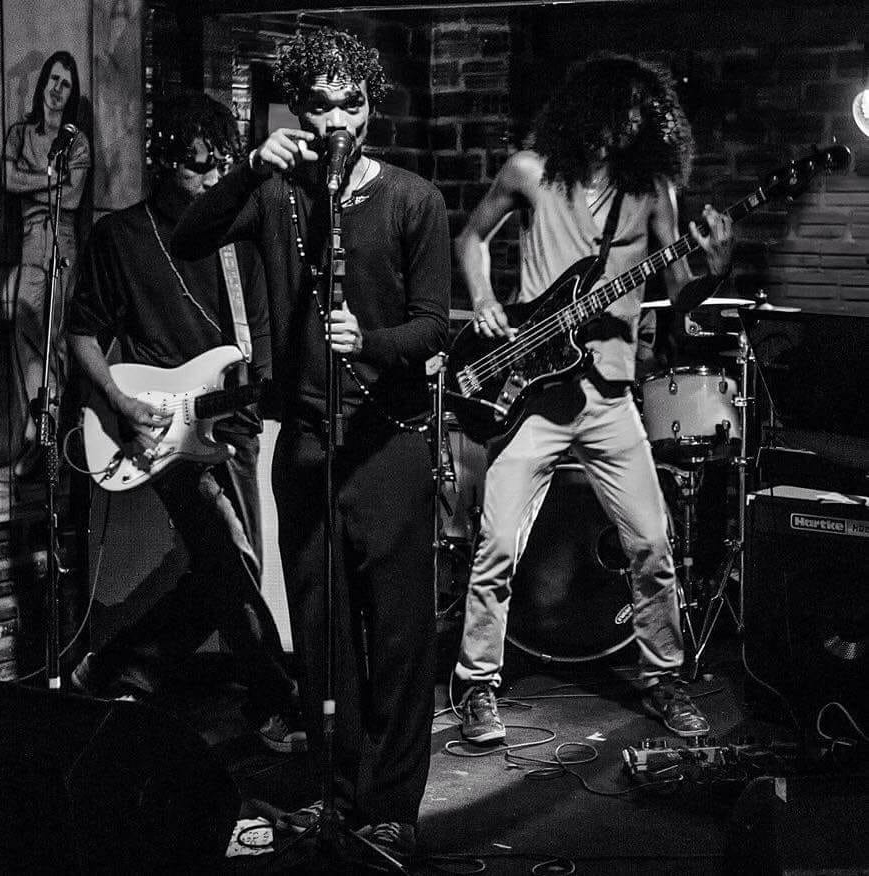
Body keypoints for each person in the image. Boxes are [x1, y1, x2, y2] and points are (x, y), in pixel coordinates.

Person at [171, 29, 450, 866]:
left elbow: (434, 325)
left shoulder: (412, 200)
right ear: (298, 110)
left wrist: (370, 341)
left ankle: (392, 806)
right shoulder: (275, 194)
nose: (335, 121)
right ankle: (339, 790)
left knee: (397, 638)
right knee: (323, 638)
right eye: (320, 106)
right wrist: (248, 167)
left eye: (350, 104)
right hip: (305, 444)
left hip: (388, 442)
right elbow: (188, 237)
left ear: (371, 108)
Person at [453, 54, 734, 744]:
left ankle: (663, 677)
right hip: (532, 393)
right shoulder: (530, 172)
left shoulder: (654, 190)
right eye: (625, 107)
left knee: (652, 542)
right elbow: (472, 238)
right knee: (496, 544)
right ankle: (477, 682)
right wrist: (484, 298)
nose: (635, 121)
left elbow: (680, 291)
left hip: (609, 396)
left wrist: (714, 268)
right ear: (593, 108)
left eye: (644, 111)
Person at [66, 93, 303, 754]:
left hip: (233, 420)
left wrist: (267, 391)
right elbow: (81, 334)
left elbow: (259, 337)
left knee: (228, 568)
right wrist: (119, 400)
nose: (210, 178)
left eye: (220, 164)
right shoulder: (121, 238)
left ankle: (116, 665)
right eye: (197, 166)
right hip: (161, 430)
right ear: (164, 161)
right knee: (230, 556)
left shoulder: (238, 230)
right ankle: (274, 702)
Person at [4, 51, 91, 477]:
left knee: (55, 341)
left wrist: (32, 183)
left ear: (71, 94)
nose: (57, 89)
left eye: (66, 84)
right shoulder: (20, 134)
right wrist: (52, 179)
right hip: (29, 244)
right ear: (43, 82)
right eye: (53, 80)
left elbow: (70, 200)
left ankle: (46, 436)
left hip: (62, 243)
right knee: (23, 327)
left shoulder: (78, 142)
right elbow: (8, 180)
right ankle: (38, 425)